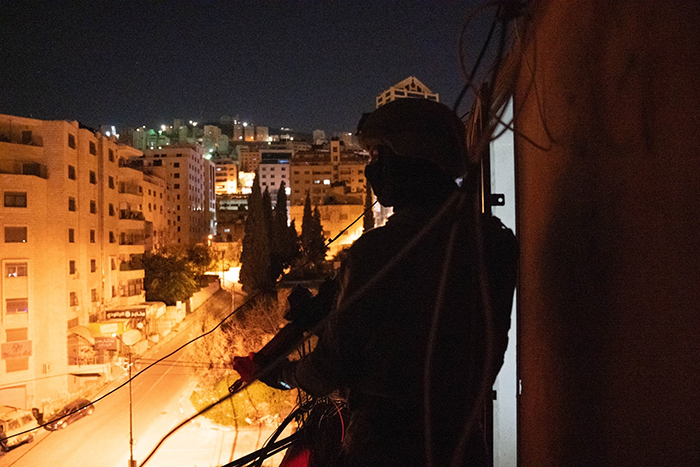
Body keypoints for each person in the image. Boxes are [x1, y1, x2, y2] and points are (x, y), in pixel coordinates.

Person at [257, 99, 517, 466]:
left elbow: (330, 367)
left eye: (379, 156)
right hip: (465, 443)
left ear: (409, 157)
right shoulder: (496, 241)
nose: (371, 169)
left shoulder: (379, 252)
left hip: (384, 448)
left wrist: (284, 375)